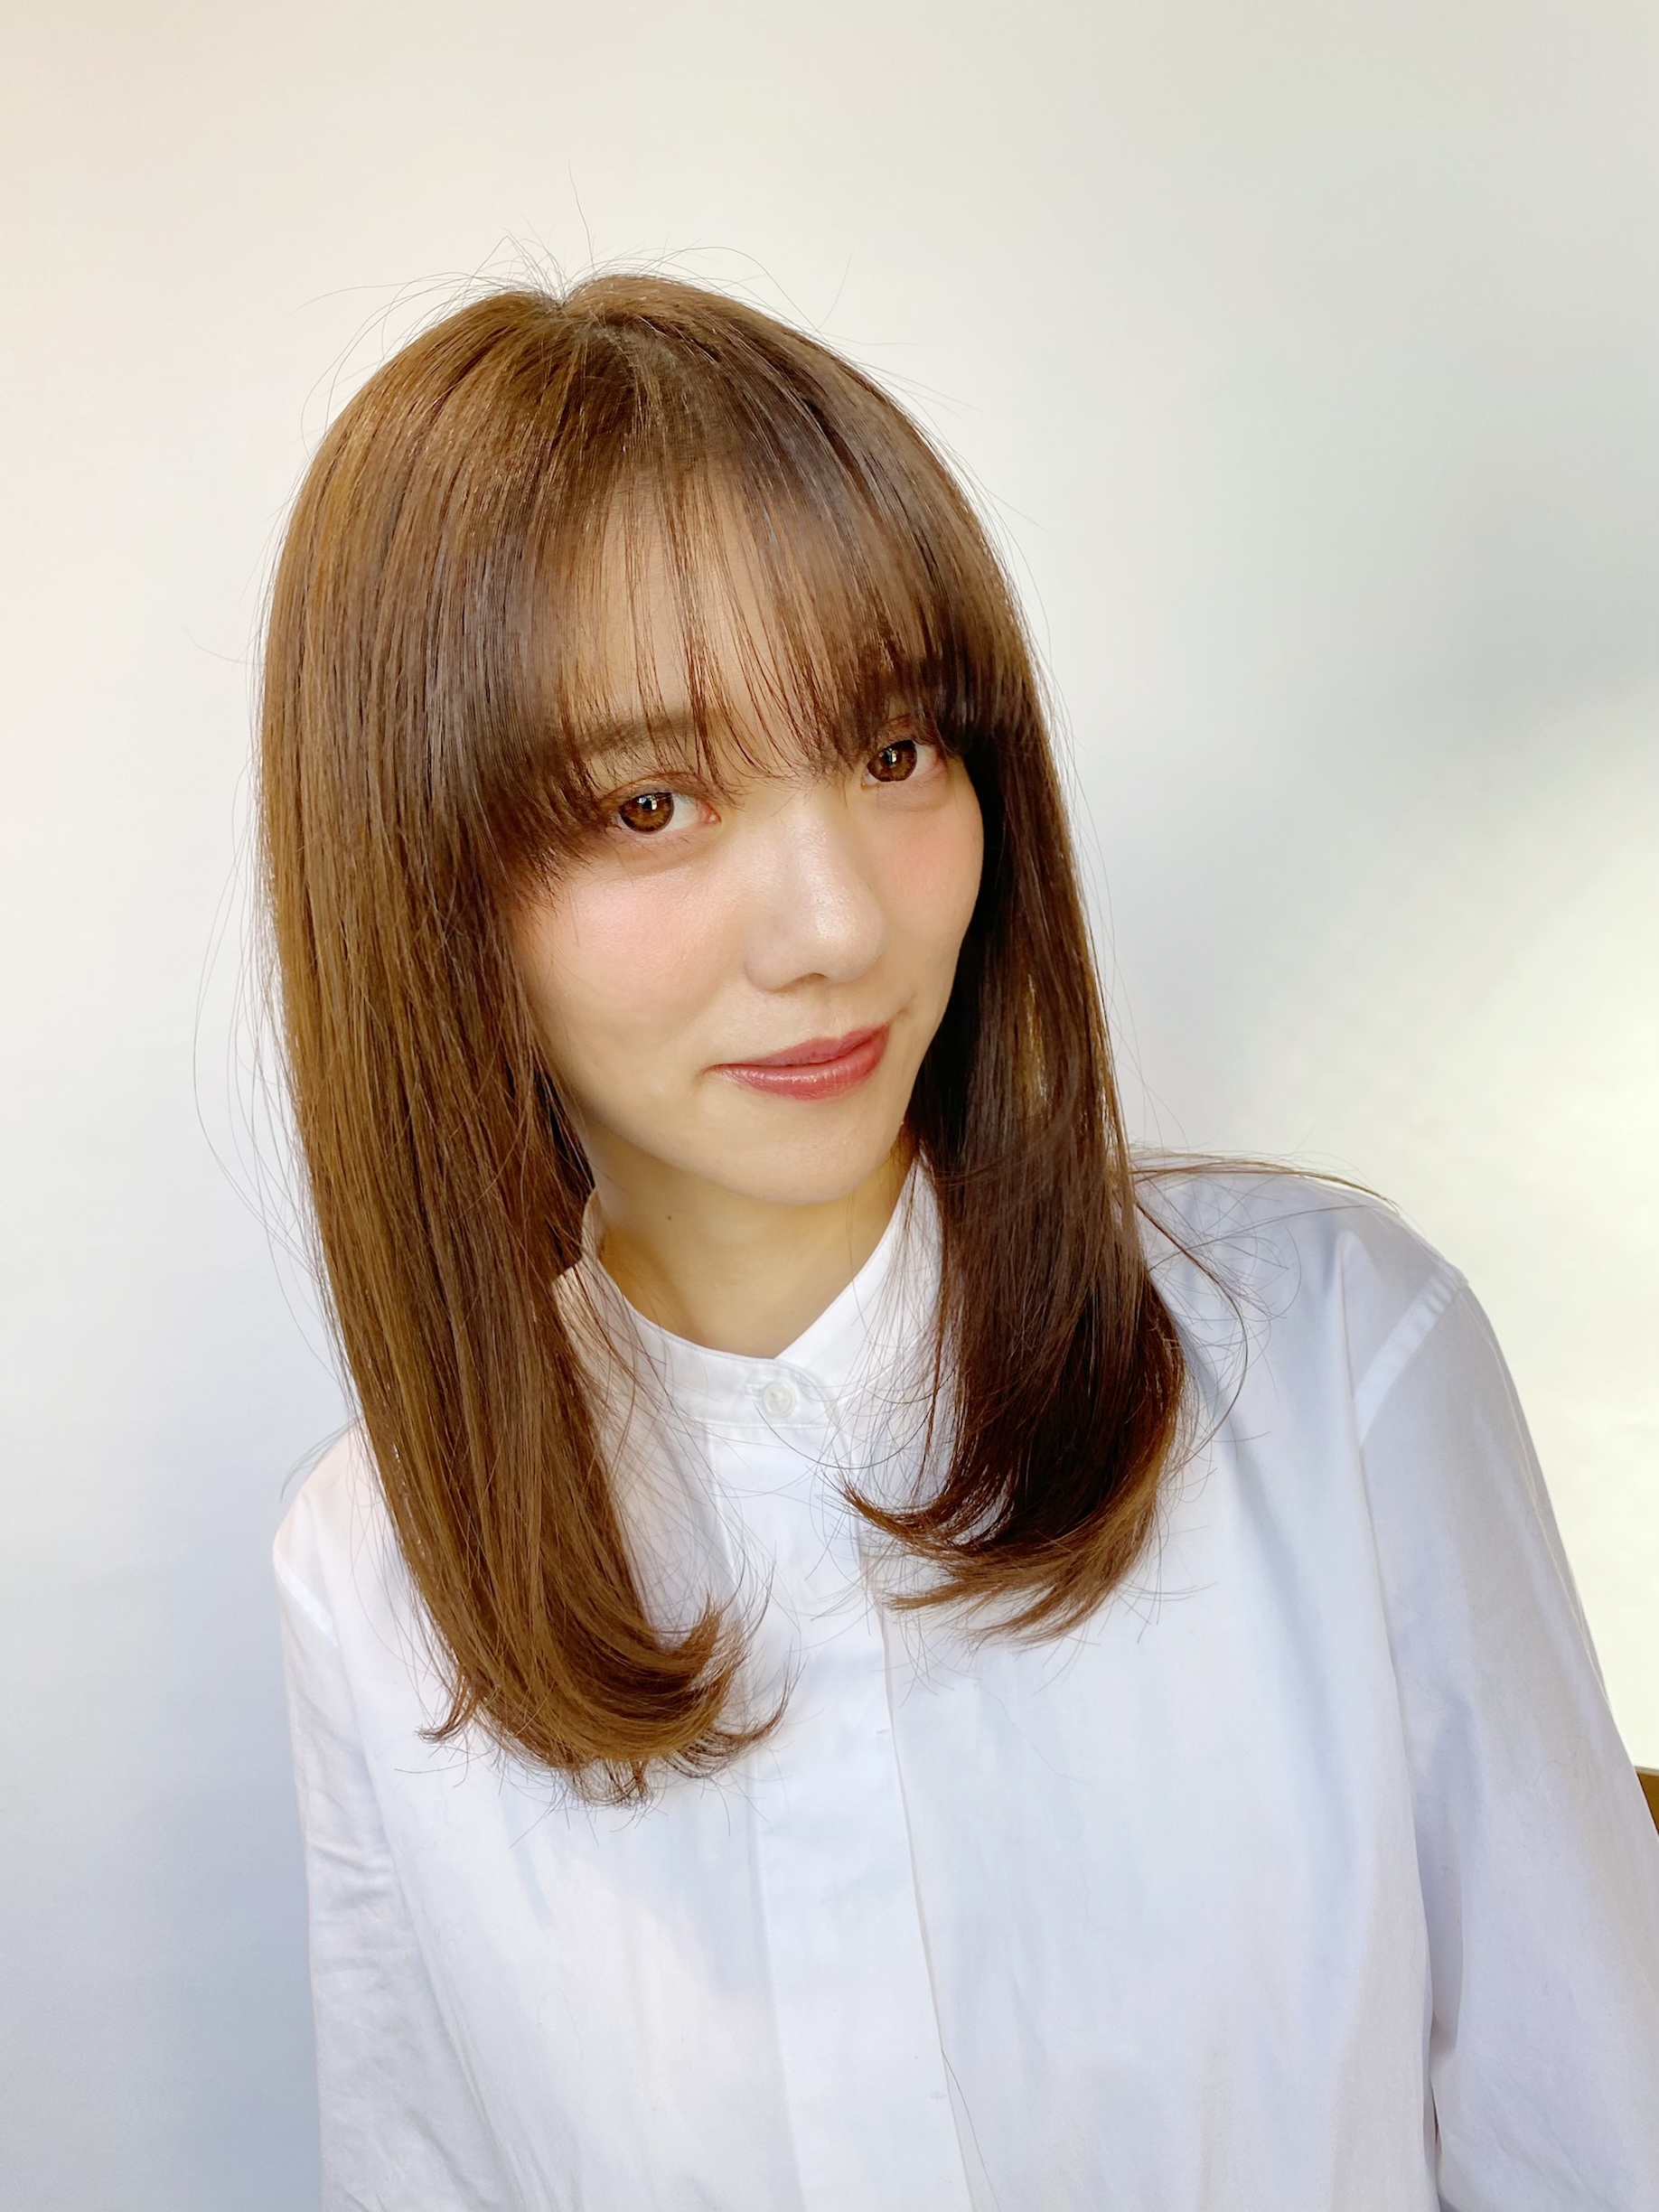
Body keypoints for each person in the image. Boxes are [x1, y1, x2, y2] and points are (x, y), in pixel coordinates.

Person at [263, 274, 1659, 2212]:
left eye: (897, 750)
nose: (839, 922)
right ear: (427, 884)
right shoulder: (375, 1567)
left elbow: (1593, 2141)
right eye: (653, 801)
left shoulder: (1338, 1361)